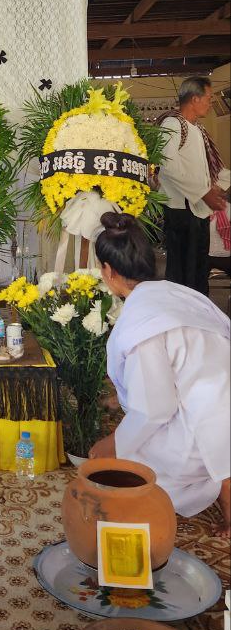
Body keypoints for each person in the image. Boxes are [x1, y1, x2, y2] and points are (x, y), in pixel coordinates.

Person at [89, 212, 230, 536]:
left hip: (208, 422)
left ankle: (216, 482)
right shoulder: (176, 293)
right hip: (222, 402)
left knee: (131, 461)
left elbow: (155, 409)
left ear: (108, 270)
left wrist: (114, 443)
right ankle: (223, 472)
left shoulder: (142, 323)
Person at [157, 77, 228, 295]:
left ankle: (198, 311)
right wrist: (204, 192)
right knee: (182, 275)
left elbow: (207, 169)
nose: (210, 102)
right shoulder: (172, 124)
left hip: (198, 210)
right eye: (208, 97)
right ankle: (181, 312)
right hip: (182, 209)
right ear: (195, 99)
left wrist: (216, 186)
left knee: (198, 272)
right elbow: (168, 166)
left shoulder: (197, 130)